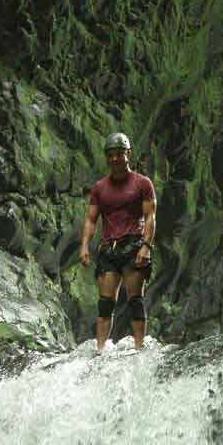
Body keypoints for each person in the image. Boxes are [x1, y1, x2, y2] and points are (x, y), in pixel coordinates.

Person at [77, 132, 155, 353]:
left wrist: (146, 246)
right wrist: (84, 245)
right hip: (109, 249)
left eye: (119, 154)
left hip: (133, 246)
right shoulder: (100, 187)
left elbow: (150, 217)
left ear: (128, 154)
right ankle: (100, 350)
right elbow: (91, 219)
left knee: (135, 300)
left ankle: (140, 349)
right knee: (105, 303)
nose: (115, 159)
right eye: (110, 155)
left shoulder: (142, 183)